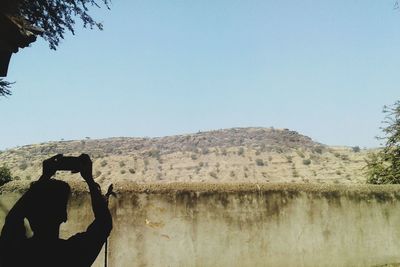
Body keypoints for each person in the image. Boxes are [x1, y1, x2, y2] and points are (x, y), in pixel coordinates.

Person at [0, 154, 112, 267]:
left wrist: (44, 178)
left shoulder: (16, 252)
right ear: (64, 216)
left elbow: (12, 219)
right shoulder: (73, 254)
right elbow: (104, 223)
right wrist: (89, 179)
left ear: (28, 214)